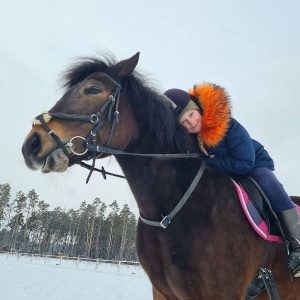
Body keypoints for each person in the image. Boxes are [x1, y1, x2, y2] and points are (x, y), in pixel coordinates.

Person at [164, 83, 300, 277]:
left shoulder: (228, 126)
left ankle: (297, 241)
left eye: (191, 115)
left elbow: (244, 163)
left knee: (269, 185)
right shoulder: (192, 139)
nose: (190, 123)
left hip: (253, 164)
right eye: (184, 122)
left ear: (197, 108)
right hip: (226, 170)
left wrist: (209, 161)